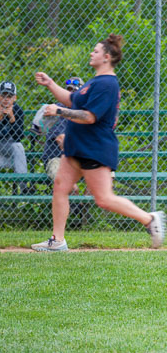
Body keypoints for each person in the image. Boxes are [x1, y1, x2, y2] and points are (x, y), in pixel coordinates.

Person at [32, 35, 165, 251]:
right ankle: (57, 240)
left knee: (103, 199)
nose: (91, 54)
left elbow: (89, 116)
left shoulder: (107, 84)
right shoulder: (94, 82)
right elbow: (71, 99)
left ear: (106, 57)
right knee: (60, 187)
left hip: (94, 148)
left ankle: (149, 219)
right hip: (78, 146)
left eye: (95, 51)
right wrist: (50, 84)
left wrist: (59, 111)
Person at [31, 76, 83, 180]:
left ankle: (88, 197)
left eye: (74, 91)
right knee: (65, 180)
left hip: (80, 157)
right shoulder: (55, 110)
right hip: (57, 158)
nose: (71, 94)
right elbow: (61, 140)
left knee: (103, 170)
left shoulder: (84, 111)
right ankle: (72, 194)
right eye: (69, 90)